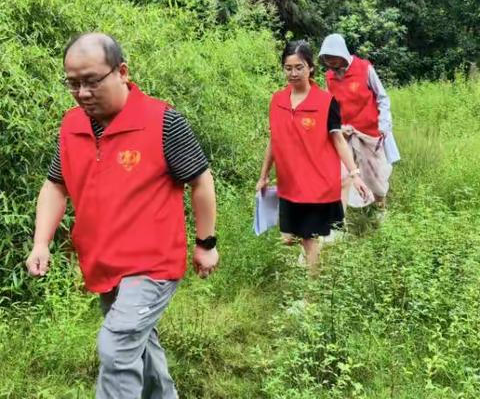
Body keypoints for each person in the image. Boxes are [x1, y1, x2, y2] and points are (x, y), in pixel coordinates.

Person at [25, 32, 218, 399]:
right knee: (140, 347)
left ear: (122, 72)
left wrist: (206, 243)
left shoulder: (162, 121)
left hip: (153, 265)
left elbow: (201, 181)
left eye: (92, 81)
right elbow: (55, 186)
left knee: (116, 347)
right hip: (103, 262)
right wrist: (41, 243)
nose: (82, 93)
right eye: (73, 84)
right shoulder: (72, 126)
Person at [256, 40, 370, 270]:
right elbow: (274, 140)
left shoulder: (326, 103)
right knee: (289, 237)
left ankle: (310, 296)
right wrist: (264, 175)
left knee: (309, 239)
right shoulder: (277, 100)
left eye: (299, 67)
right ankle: (311, 260)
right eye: (288, 68)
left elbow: (338, 140)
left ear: (311, 68)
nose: (293, 73)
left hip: (314, 184)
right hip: (289, 184)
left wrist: (355, 174)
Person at [319, 33, 400, 213]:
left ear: (341, 53)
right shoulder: (329, 78)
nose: (330, 62)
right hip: (346, 136)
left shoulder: (364, 68)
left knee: (376, 178)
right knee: (343, 177)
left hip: (370, 134)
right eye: (327, 59)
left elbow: (382, 97)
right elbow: (329, 108)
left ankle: (380, 210)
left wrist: (384, 124)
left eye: (332, 58)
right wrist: (338, 127)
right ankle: (339, 223)